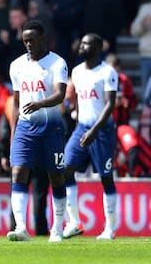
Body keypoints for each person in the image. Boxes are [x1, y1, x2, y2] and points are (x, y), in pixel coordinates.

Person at [6, 20, 68, 243]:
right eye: (25, 41)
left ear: (44, 39)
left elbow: (60, 94)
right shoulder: (17, 65)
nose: (29, 44)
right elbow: (15, 101)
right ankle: (21, 227)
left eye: (32, 40)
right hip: (25, 127)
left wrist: (40, 104)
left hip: (51, 127)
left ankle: (58, 228)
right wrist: (14, 131)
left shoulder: (57, 63)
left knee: (56, 176)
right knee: (18, 173)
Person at [63, 33, 118, 240]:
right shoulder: (76, 72)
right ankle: (75, 222)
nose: (82, 46)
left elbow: (110, 104)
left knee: (105, 178)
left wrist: (94, 131)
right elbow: (79, 100)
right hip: (81, 128)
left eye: (86, 43)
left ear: (97, 47)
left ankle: (110, 228)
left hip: (101, 131)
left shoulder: (107, 72)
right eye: (82, 42)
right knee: (65, 169)